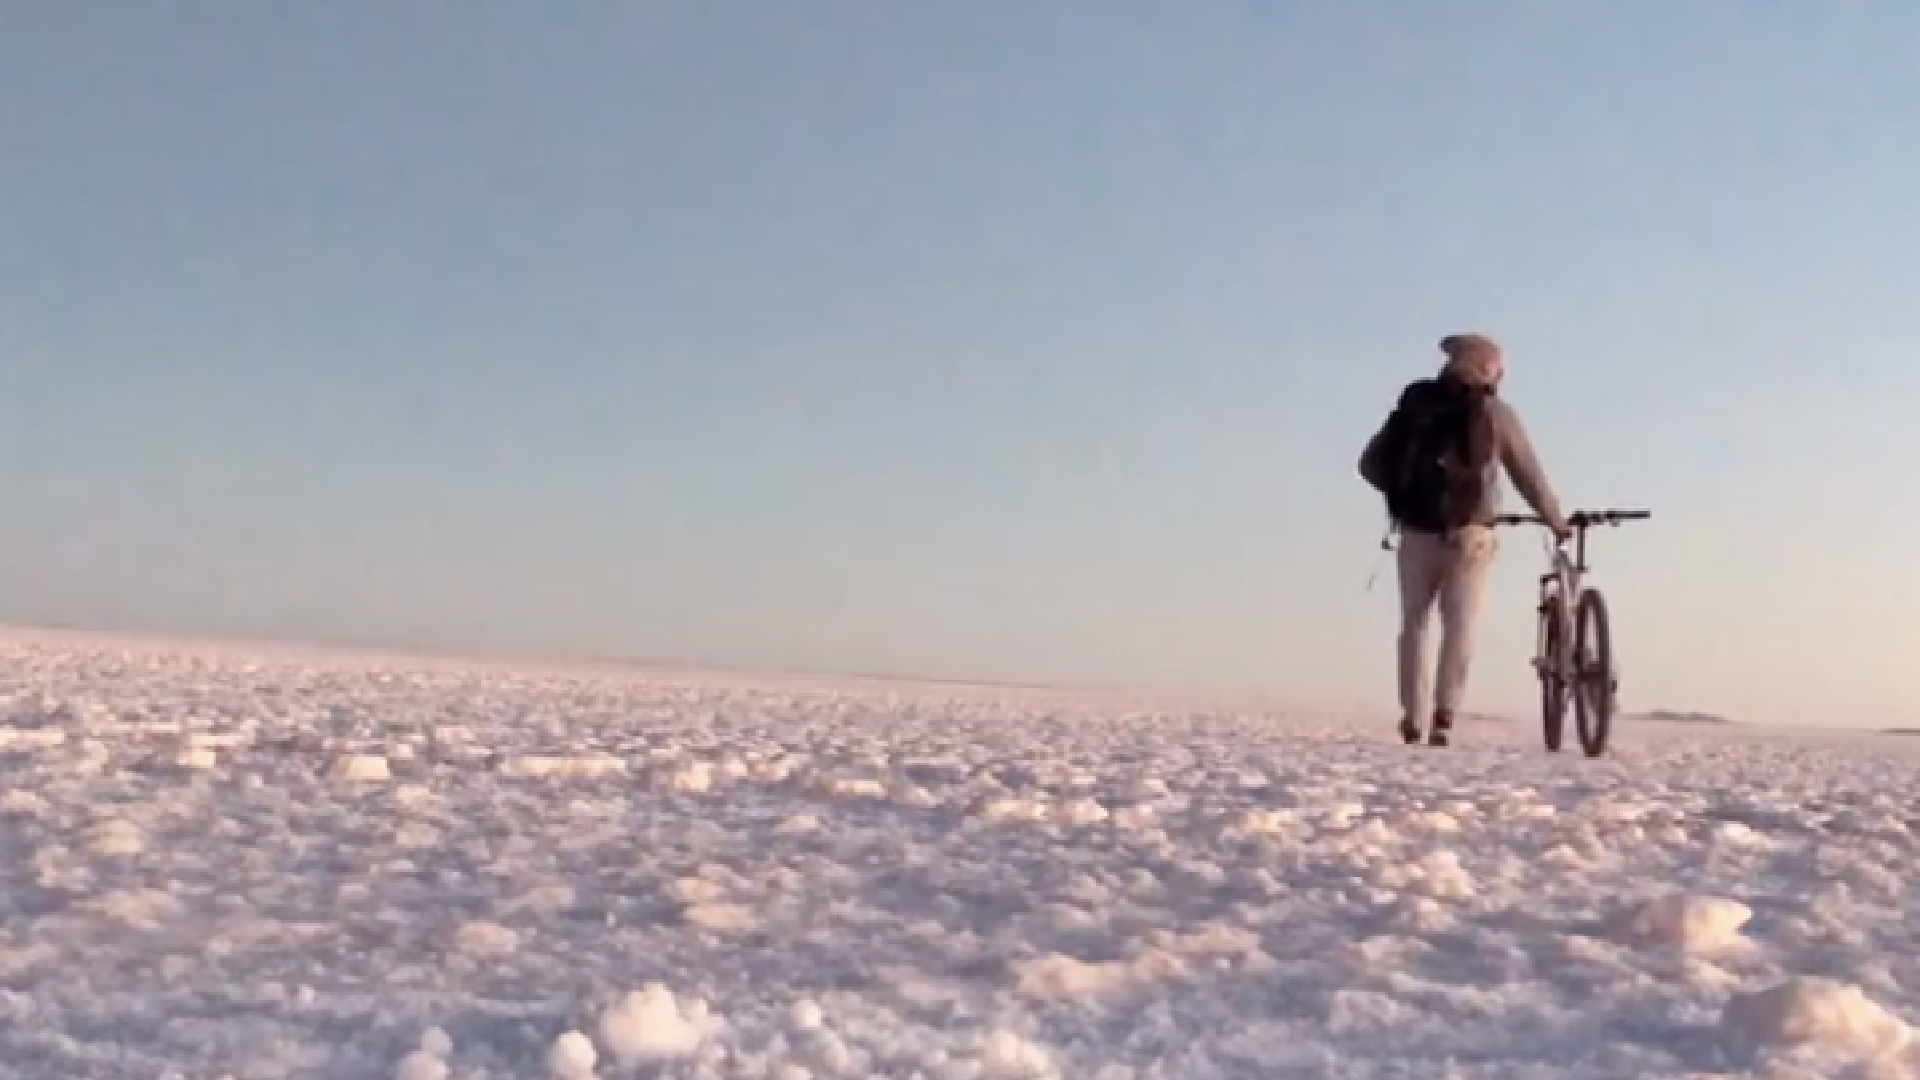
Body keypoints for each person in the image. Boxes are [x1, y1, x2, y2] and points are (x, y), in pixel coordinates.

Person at [1358, 333, 1570, 747]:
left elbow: (1368, 464)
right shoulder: (1495, 413)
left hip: (1416, 530)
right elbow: (1529, 476)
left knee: (1415, 623)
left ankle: (1412, 717)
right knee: (1461, 623)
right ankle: (1445, 714)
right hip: (1472, 533)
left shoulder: (1416, 408)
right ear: (1487, 367)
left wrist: (1403, 496)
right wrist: (1556, 521)